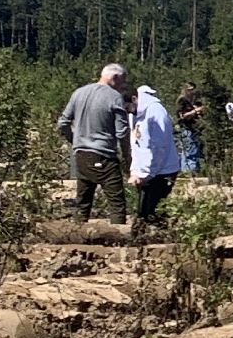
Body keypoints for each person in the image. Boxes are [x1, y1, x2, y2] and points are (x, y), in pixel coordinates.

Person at [58, 64, 130, 225]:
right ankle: (118, 240)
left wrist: (74, 139)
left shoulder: (79, 93)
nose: (122, 85)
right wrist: (127, 157)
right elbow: (122, 132)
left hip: (81, 154)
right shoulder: (114, 97)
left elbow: (63, 122)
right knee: (117, 203)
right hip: (104, 155)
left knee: (83, 202)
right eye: (122, 81)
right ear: (115, 78)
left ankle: (76, 236)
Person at [128, 85, 181, 232]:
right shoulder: (134, 113)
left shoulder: (156, 112)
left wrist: (148, 174)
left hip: (163, 170)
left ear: (134, 99)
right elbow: (136, 145)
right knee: (142, 214)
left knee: (154, 212)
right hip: (146, 172)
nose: (126, 111)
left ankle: (162, 242)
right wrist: (135, 170)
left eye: (126, 107)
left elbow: (159, 148)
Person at [174, 83, 204, 175]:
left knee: (189, 150)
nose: (192, 92)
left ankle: (188, 171)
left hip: (192, 128)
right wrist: (195, 111)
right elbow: (182, 115)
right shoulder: (182, 100)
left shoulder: (192, 101)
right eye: (190, 90)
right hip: (186, 128)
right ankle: (190, 172)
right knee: (191, 150)